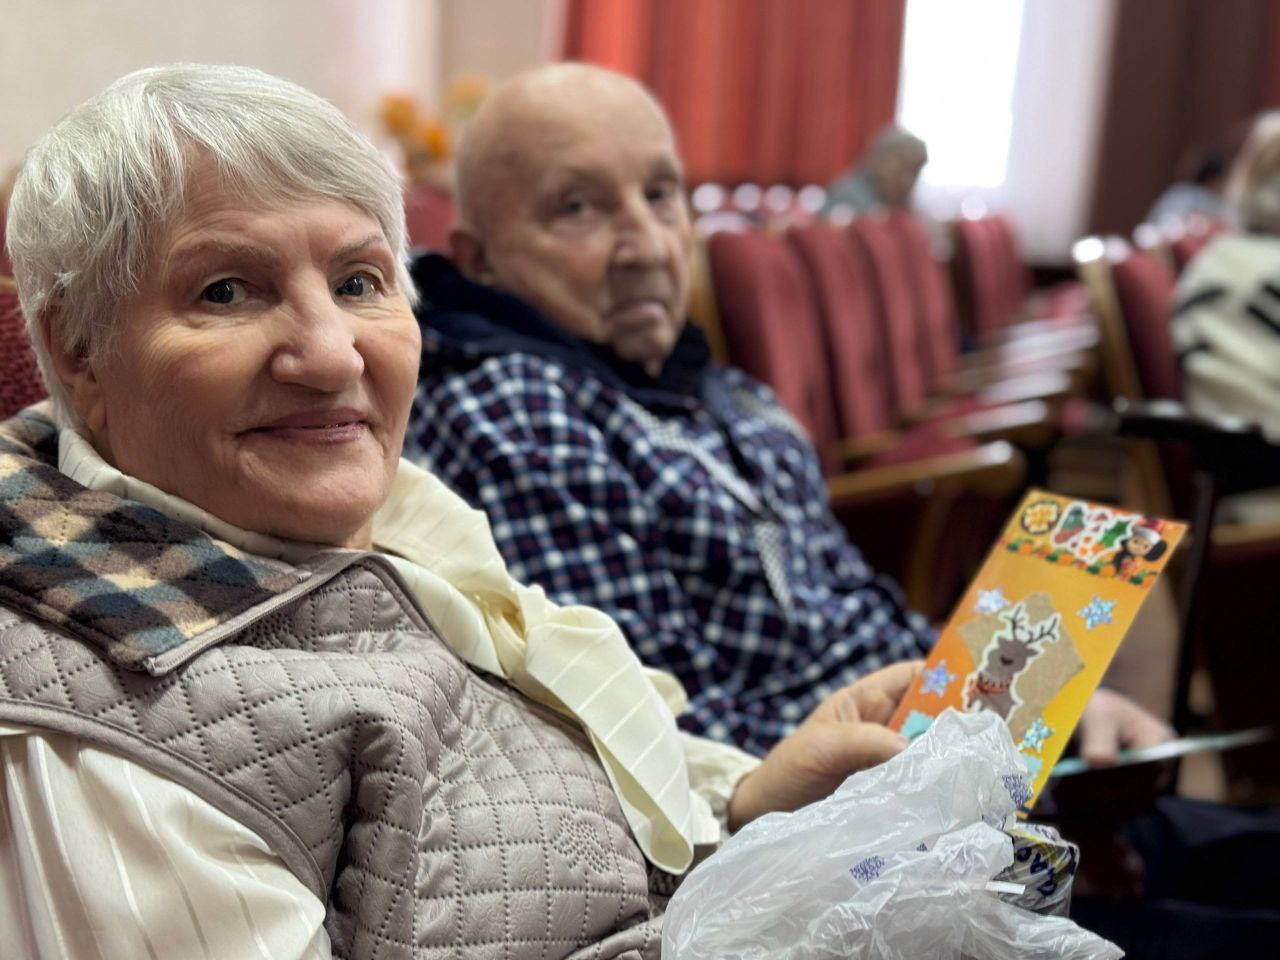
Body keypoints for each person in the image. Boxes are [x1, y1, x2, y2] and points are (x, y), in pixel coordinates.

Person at [0, 63, 926, 958]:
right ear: (79, 350)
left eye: (359, 281)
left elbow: (564, 820)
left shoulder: (391, 516)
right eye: (227, 291)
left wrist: (749, 807)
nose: (333, 355)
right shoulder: (101, 728)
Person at [405, 63, 1172, 760]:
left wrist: (1038, 704)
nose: (649, 247)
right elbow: (664, 744)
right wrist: (963, 742)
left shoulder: (706, 381)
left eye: (661, 194)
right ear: (479, 259)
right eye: (577, 208)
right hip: (845, 814)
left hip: (930, 748)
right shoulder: (513, 411)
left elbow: (856, 609)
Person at [820, 125, 927, 216]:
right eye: (902, 169)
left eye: (915, 172)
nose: (906, 181)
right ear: (879, 158)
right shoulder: (847, 196)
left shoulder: (903, 205)